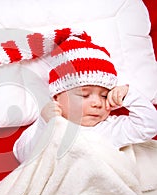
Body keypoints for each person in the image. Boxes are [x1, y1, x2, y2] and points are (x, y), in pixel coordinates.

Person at [13, 35, 157, 163]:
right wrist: (44, 124)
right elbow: (23, 155)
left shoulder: (110, 128)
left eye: (104, 95)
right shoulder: (50, 125)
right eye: (84, 95)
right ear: (57, 97)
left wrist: (128, 95)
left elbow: (150, 125)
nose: (97, 103)